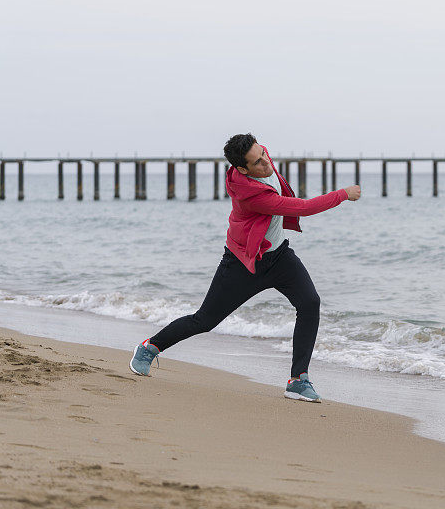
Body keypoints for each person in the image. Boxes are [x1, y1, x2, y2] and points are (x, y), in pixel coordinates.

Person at [129, 133, 361, 402]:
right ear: (242, 169)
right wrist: (343, 194)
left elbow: (264, 159)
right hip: (243, 263)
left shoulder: (260, 156)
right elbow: (303, 207)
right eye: (258, 162)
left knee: (310, 303)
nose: (266, 163)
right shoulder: (251, 195)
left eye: (263, 153)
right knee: (204, 320)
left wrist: (262, 153)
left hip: (278, 256)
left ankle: (298, 380)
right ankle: (150, 347)